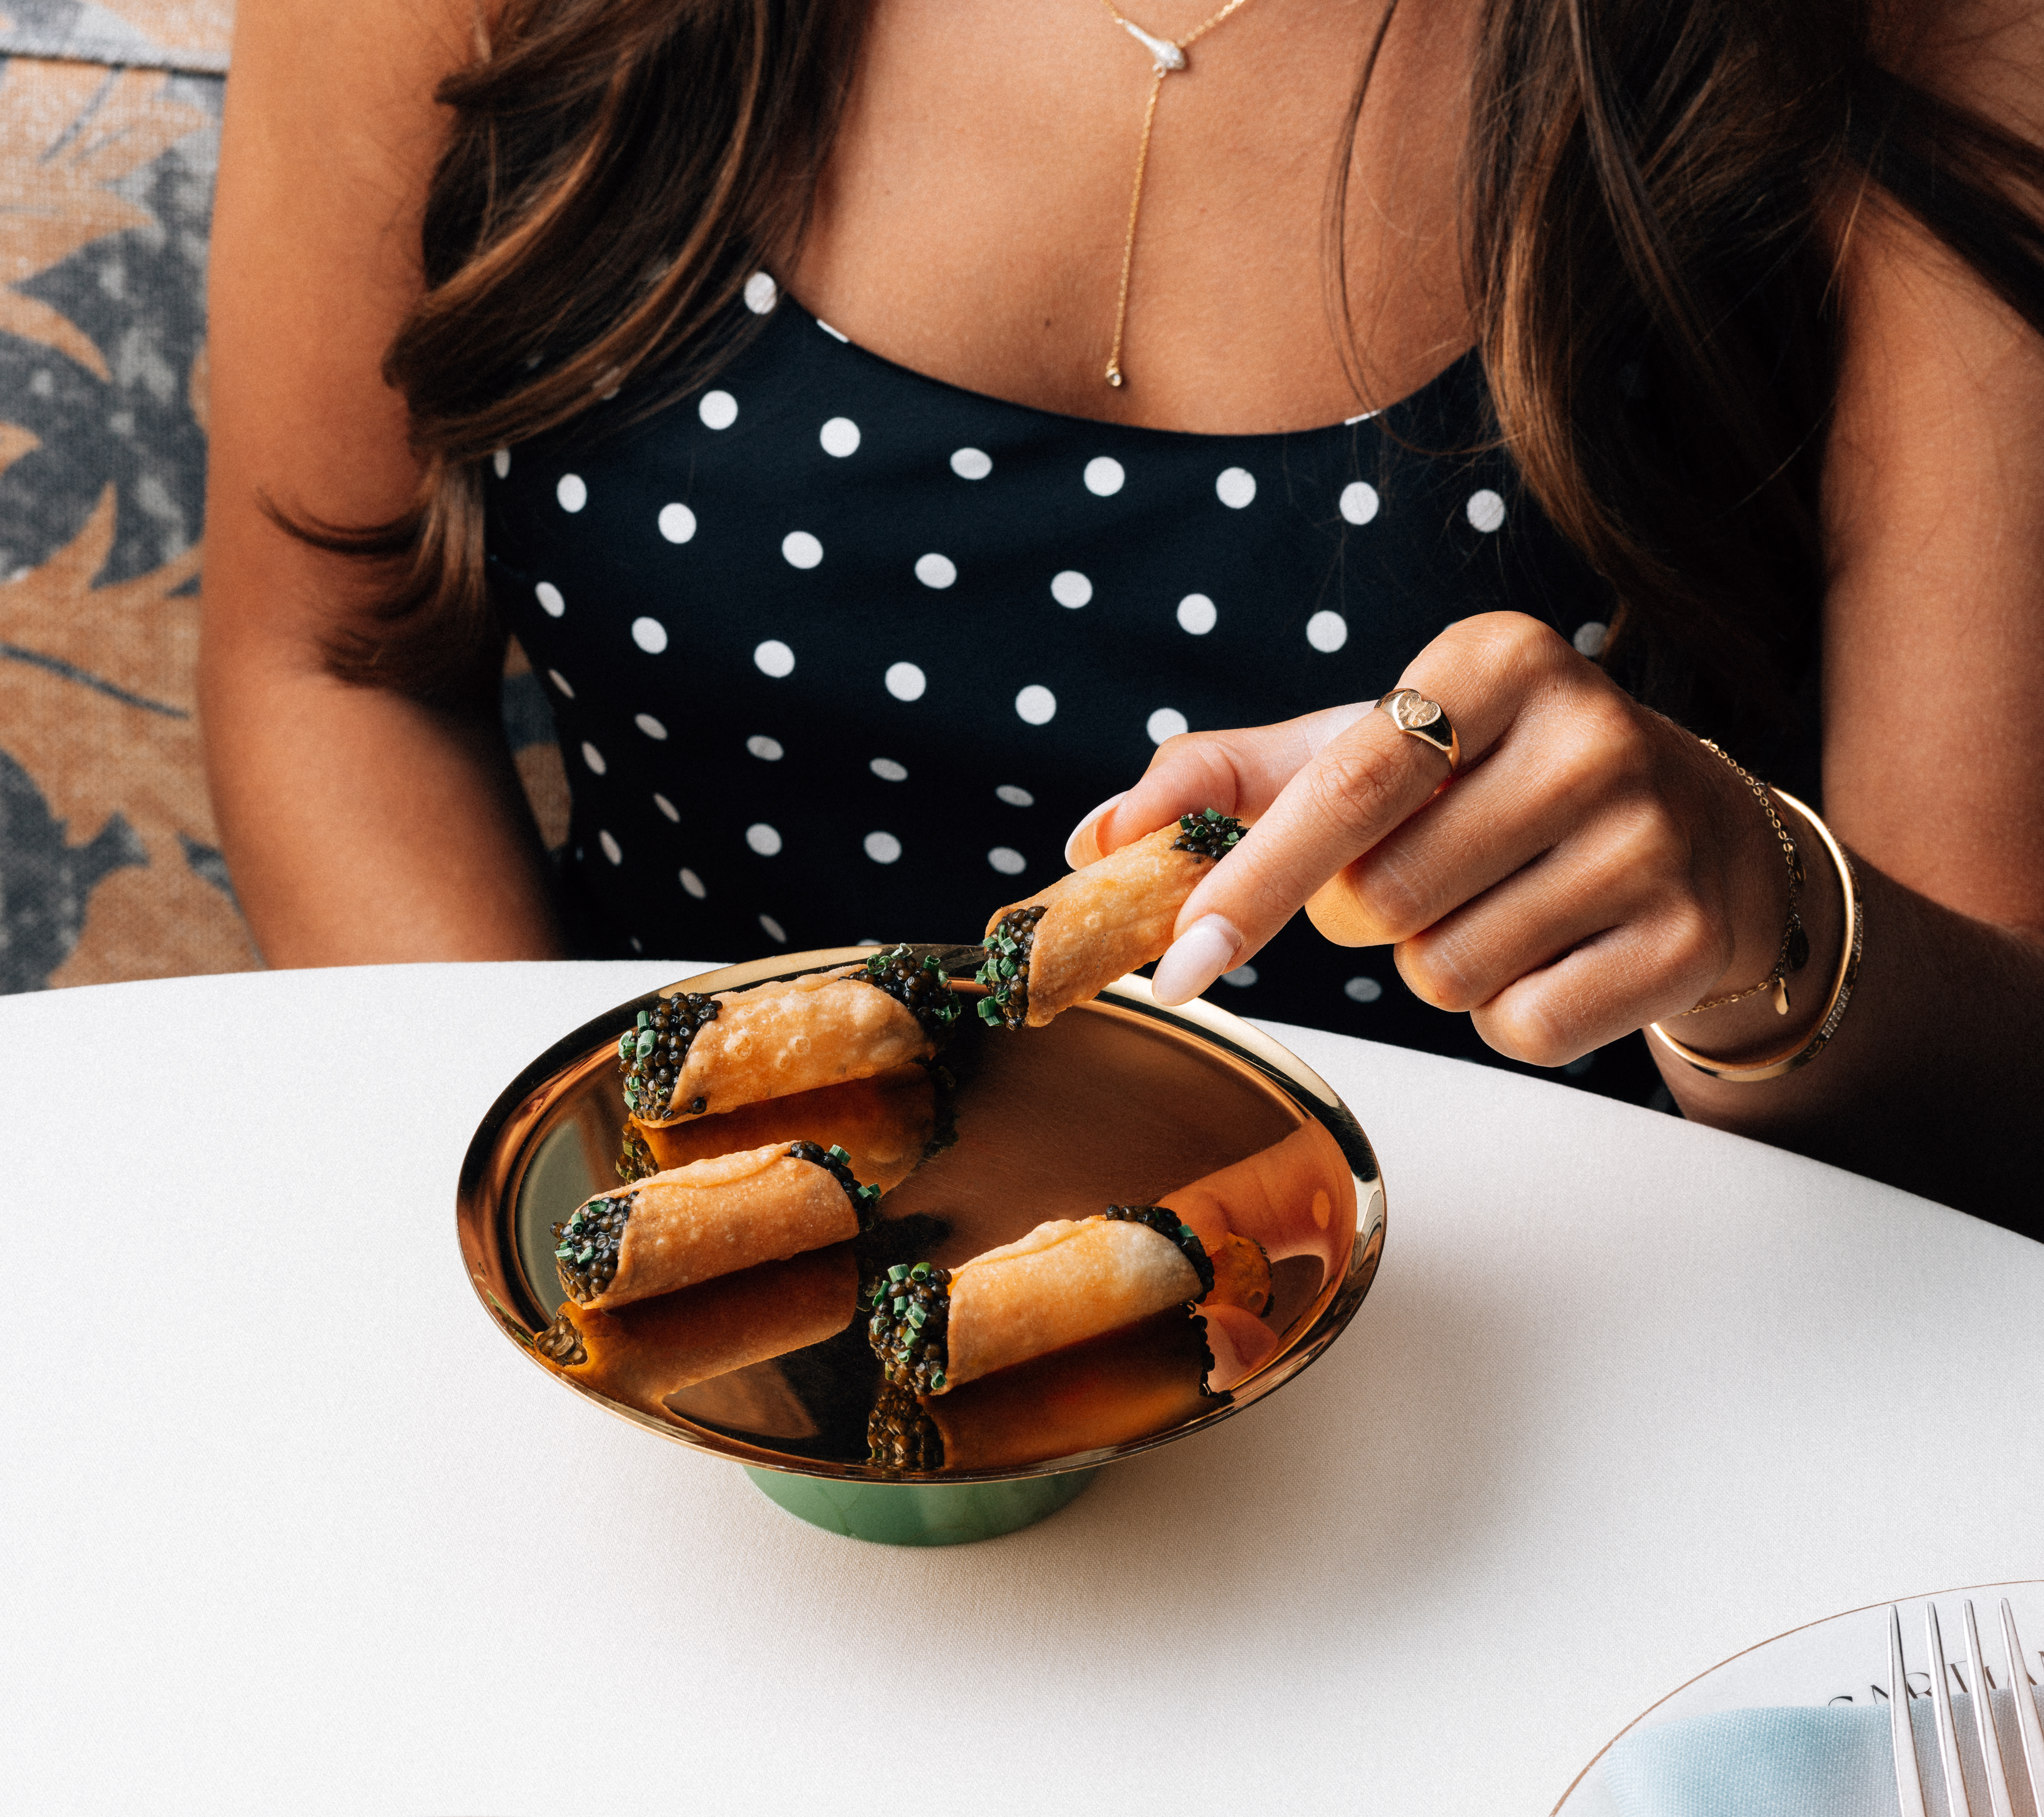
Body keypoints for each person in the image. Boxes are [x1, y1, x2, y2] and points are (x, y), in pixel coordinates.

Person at [200, 0, 2044, 1220]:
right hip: (685, 1356)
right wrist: (592, 1218)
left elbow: (1989, 1102)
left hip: (1543, 1398)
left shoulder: (1919, 26)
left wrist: (1766, 917)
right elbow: (327, 663)